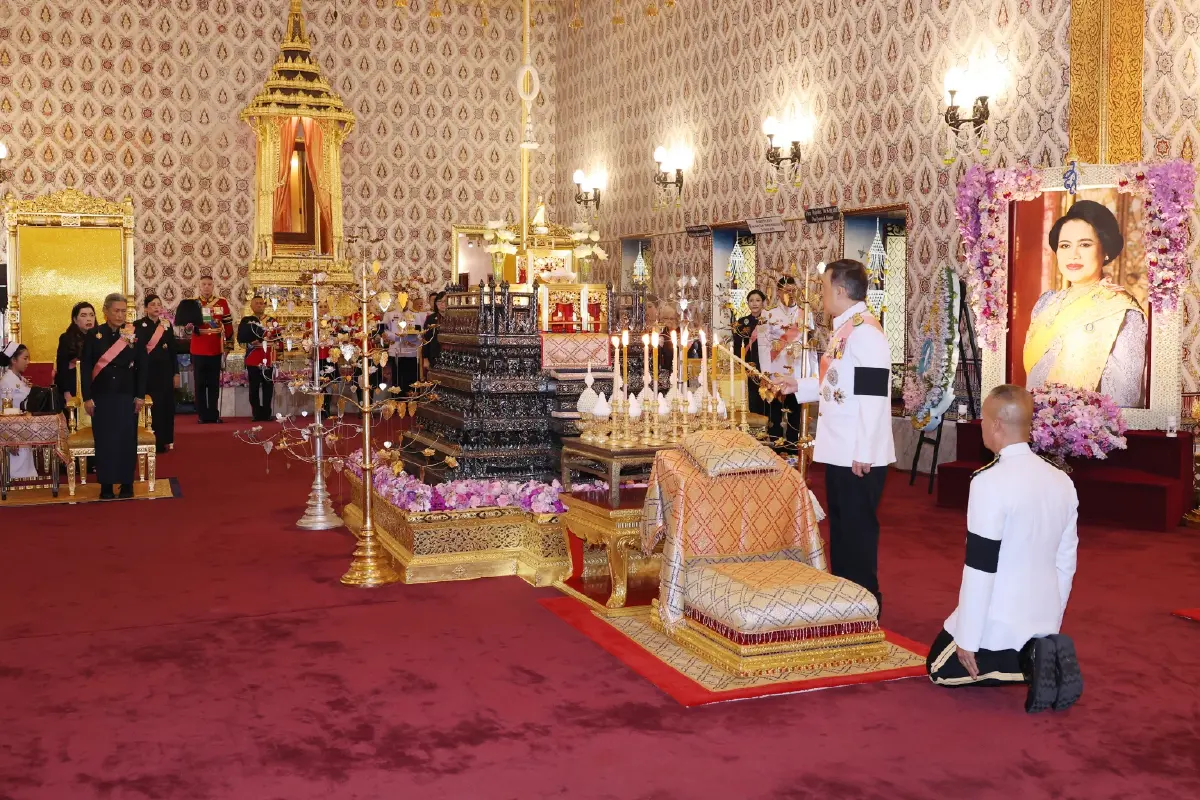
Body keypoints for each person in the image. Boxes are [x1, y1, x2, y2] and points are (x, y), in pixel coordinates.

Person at [926, 384, 1082, 714]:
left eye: (984, 420)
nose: (982, 426)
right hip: (1042, 619)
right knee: (1024, 642)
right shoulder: (1061, 481)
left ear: (996, 424)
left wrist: (968, 638)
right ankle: (1041, 654)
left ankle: (1023, 666)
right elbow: (1066, 562)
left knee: (938, 667)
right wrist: (1051, 626)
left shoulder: (988, 482)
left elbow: (980, 566)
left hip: (998, 621)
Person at [777, 259, 895, 613]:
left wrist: (865, 450)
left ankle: (866, 599)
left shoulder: (866, 333)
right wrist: (798, 386)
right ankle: (845, 596)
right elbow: (837, 384)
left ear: (841, 291)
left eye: (825, 288)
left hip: (857, 451)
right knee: (842, 527)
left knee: (858, 529)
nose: (822, 295)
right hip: (841, 448)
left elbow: (874, 395)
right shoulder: (846, 328)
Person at [1023, 199, 1147, 407]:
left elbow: (1124, 399)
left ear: (1105, 251)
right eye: (1065, 245)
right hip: (1035, 420)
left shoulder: (1121, 310)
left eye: (1085, 244)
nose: (1073, 255)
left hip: (1089, 424)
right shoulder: (1045, 304)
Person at [81, 293, 147, 500]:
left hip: (126, 394)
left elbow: (142, 367)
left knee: (127, 440)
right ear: (106, 311)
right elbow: (86, 369)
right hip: (102, 395)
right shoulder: (94, 335)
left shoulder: (133, 333)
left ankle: (127, 483)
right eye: (116, 311)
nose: (120, 315)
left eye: (123, 311)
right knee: (105, 441)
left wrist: (140, 395)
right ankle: (106, 485)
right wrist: (87, 397)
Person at [176, 275, 232, 423]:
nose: (206, 287)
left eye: (209, 284)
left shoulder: (222, 302)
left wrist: (229, 346)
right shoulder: (193, 303)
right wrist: (188, 329)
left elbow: (228, 325)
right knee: (199, 383)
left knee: (213, 383)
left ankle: (214, 415)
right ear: (199, 286)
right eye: (204, 284)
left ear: (213, 286)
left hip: (215, 347)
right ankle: (201, 415)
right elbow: (186, 329)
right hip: (198, 347)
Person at [759, 276, 803, 442]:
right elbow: (763, 345)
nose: (790, 294)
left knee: (795, 410)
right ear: (778, 292)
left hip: (796, 369)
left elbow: (808, 346)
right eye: (786, 291)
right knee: (775, 411)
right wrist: (765, 372)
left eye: (793, 291)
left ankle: (792, 446)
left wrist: (808, 372)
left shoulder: (804, 313)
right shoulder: (768, 314)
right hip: (775, 368)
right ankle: (775, 447)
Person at [135, 294, 179, 452]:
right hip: (147, 372)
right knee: (152, 406)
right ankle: (148, 439)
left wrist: (176, 373)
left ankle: (164, 439)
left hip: (165, 372)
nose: (156, 307)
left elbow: (173, 351)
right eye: (152, 304)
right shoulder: (138, 326)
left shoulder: (166, 325)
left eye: (158, 304)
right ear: (146, 308)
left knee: (165, 406)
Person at [0, 343, 37, 479]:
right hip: (13, 432)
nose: (28, 362)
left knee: (27, 472)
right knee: (16, 474)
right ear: (14, 360)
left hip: (24, 429)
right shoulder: (6, 382)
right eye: (25, 358)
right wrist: (9, 438)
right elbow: (3, 412)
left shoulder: (20, 379)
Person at [237, 295, 276, 422]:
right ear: (251, 306)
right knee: (254, 387)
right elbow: (240, 340)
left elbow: (278, 338)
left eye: (261, 303)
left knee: (268, 386)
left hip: (268, 357)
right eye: (256, 303)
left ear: (264, 305)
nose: (259, 305)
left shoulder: (271, 321)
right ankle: (256, 413)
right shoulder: (246, 321)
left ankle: (267, 412)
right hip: (253, 357)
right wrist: (250, 343)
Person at [55, 301, 96, 407]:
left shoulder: (99, 337)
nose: (89, 319)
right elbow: (62, 368)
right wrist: (66, 392)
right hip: (74, 386)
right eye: (83, 315)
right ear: (75, 319)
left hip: (95, 387)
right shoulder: (66, 338)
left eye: (91, 315)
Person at [734, 289, 767, 416]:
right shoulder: (742, 322)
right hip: (748, 365)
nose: (754, 303)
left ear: (763, 303)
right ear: (747, 303)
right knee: (751, 396)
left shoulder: (769, 320)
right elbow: (737, 346)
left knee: (766, 396)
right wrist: (741, 365)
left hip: (765, 366)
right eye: (751, 301)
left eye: (758, 300)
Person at [422, 291, 445, 376]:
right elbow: (425, 339)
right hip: (434, 355)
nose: (442, 304)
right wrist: (425, 358)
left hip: (450, 356)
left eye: (445, 301)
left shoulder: (454, 318)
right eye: (439, 301)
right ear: (436, 304)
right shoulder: (431, 319)